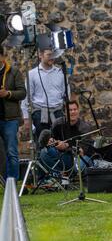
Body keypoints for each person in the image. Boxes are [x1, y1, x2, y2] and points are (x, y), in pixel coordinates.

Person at [21, 49, 70, 139]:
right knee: (42, 146)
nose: (52, 57)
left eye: (53, 55)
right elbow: (27, 97)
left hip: (58, 113)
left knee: (61, 143)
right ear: (40, 55)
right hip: (40, 115)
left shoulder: (61, 73)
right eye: (49, 55)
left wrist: (68, 111)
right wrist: (26, 118)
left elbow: (67, 94)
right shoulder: (32, 74)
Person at [39, 100, 93, 172]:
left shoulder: (84, 127)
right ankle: (58, 176)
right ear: (64, 112)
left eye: (75, 109)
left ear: (78, 111)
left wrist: (66, 146)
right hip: (63, 156)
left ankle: (72, 176)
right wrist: (51, 142)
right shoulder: (57, 123)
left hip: (80, 157)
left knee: (79, 167)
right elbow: (51, 140)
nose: (73, 112)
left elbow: (82, 151)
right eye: (70, 110)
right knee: (44, 152)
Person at [0, 45, 26, 180]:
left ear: (2, 57)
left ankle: (13, 184)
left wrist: (7, 93)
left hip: (10, 119)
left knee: (11, 152)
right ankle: (5, 181)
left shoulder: (14, 72)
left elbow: (23, 92)